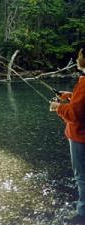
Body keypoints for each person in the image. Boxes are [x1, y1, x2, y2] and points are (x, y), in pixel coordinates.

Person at [50, 48, 85, 224]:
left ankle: (82, 213)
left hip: (81, 138)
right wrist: (69, 96)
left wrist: (58, 107)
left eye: (80, 55)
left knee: (82, 176)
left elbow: (76, 113)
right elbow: (81, 103)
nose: (77, 58)